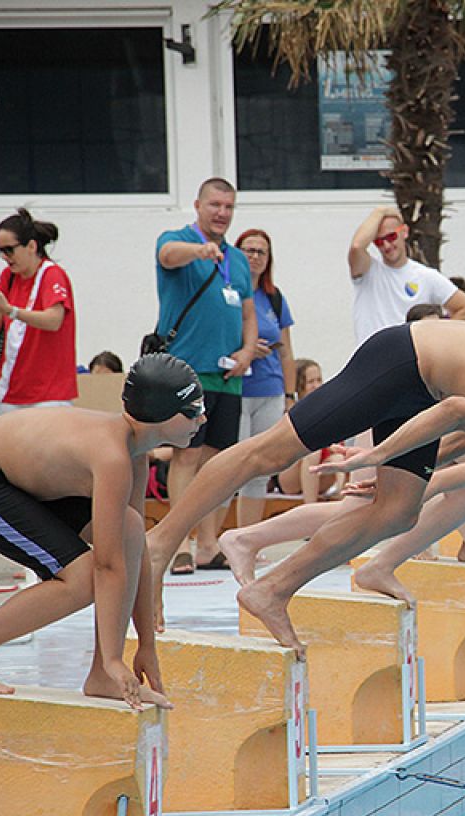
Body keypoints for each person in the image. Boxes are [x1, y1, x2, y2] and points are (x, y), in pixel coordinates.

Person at [145, 320, 465, 651]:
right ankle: (162, 542)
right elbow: (456, 409)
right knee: (267, 452)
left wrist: (386, 466)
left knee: (398, 510)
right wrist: (379, 454)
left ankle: (271, 589)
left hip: (424, 387)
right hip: (400, 364)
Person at [0, 353, 202, 707]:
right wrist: (117, 658)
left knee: (130, 527)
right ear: (161, 415)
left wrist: (145, 644)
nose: (203, 418)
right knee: (84, 578)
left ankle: (101, 676)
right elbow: (107, 564)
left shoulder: (135, 451)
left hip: (18, 480)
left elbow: (133, 550)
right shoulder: (113, 457)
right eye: (193, 411)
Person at [219, 441, 465, 606]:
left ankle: (247, 539)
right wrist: (383, 476)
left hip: (413, 448)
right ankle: (379, 566)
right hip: (408, 448)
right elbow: (447, 484)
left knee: (354, 514)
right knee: (363, 514)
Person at [154, 177, 256, 575]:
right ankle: (177, 542)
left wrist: (248, 351)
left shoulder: (238, 258)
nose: (222, 213)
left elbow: (248, 311)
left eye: (229, 207)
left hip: (228, 375)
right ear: (197, 205)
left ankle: (208, 543)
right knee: (188, 456)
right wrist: (199, 250)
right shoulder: (178, 239)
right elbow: (167, 255)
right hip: (188, 368)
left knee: (220, 462)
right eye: (215, 205)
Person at [0, 208, 77, 414]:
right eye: (0, 251)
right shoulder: (8, 277)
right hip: (11, 392)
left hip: (49, 394)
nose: (5, 257)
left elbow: (54, 320)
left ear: (31, 246)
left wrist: (11, 311)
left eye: (9, 250)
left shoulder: (52, 274)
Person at [232, 229, 296, 529]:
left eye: (261, 252)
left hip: (269, 389)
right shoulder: (228, 291)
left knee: (261, 469)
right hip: (235, 389)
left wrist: (289, 395)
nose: (255, 257)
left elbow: (286, 352)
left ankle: (247, 538)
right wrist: (244, 348)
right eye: (249, 250)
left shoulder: (274, 297)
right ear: (237, 253)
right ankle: (210, 541)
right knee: (232, 467)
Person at [348, 205, 465, 345]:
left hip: (410, 360)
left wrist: (435, 338)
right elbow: (357, 246)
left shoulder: (426, 276)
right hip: (373, 357)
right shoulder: (368, 270)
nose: (386, 245)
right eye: (378, 241)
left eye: (391, 237)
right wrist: (380, 211)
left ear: (404, 232)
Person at [270, 359, 338, 502]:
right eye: (310, 381)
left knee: (339, 458)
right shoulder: (290, 411)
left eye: (319, 380)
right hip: (288, 474)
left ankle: (342, 497)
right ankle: (309, 505)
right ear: (298, 385)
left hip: (315, 473)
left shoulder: (327, 409)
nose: (316, 386)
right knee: (312, 453)